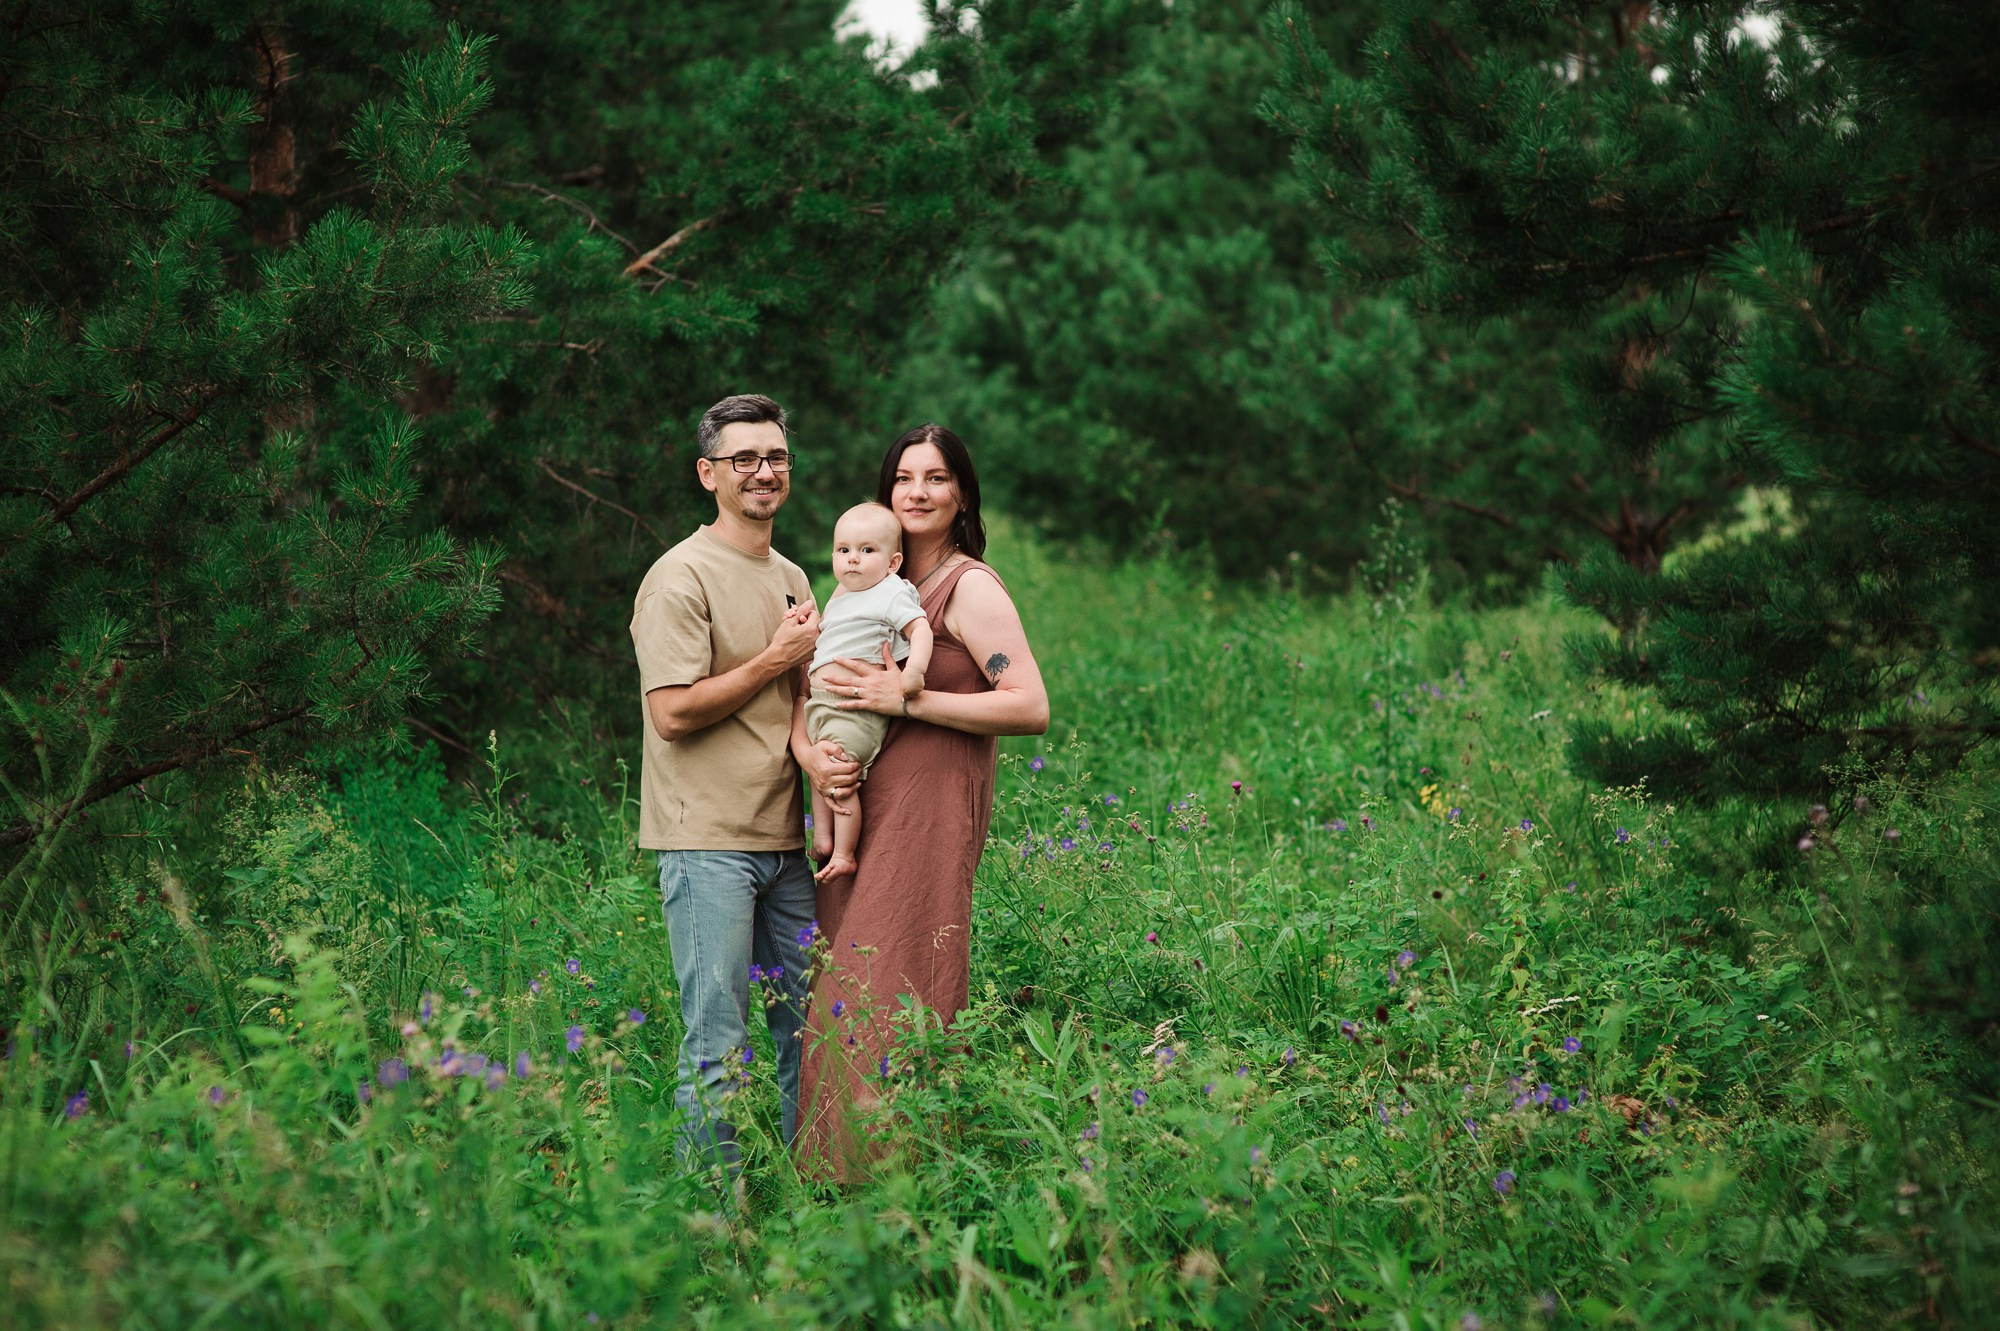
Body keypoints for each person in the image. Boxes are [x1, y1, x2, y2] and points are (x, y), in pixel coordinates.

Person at [793, 423, 1050, 1180]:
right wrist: (816, 758)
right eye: (904, 477)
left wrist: (910, 702)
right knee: (846, 982)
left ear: (962, 493)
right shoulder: (864, 582)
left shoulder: (967, 586)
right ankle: (833, 1174)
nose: (918, 491)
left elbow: (1030, 704)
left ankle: (905, 1174)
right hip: (863, 813)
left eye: (936, 477)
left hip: (929, 818)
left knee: (899, 981)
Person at [629, 392, 821, 1179]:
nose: (762, 471)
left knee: (814, 1030)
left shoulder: (793, 573)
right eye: (743, 458)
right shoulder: (679, 575)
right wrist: (775, 659)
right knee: (718, 1040)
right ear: (708, 472)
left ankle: (802, 1191)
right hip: (706, 842)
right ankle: (714, 1219)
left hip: (785, 843)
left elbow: (807, 699)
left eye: (774, 456)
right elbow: (671, 713)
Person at [803, 502, 934, 885]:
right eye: (843, 550)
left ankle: (844, 853)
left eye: (866, 551)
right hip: (823, 703)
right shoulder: (843, 595)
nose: (853, 560)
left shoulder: (891, 592)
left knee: (841, 771)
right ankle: (824, 836)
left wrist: (915, 672)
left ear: (893, 562)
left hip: (855, 708)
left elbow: (920, 630)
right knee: (820, 767)